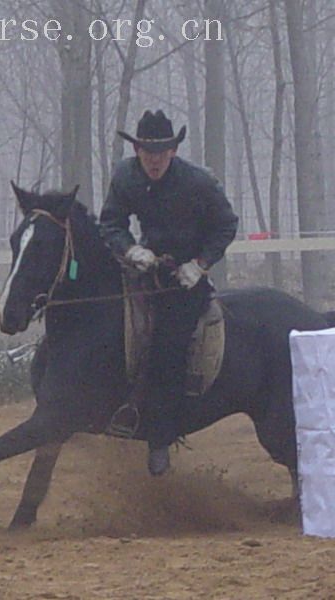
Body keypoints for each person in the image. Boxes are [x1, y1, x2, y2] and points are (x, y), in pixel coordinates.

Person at [99, 109, 239, 476]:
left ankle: (160, 437)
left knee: (167, 347)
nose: (154, 160)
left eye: (161, 153)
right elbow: (110, 222)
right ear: (138, 152)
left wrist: (201, 263)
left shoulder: (198, 183)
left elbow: (226, 225)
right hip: (143, 267)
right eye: (147, 153)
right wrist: (130, 250)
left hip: (185, 278)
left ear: (173, 152)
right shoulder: (126, 178)